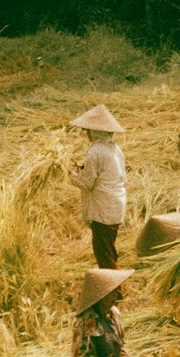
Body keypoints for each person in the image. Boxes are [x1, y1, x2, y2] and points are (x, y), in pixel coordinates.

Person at [68, 105, 127, 269]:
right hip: (116, 204)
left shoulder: (95, 151)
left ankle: (113, 290)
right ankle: (114, 285)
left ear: (95, 131)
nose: (86, 133)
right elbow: (108, 172)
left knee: (104, 253)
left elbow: (87, 184)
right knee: (109, 248)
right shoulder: (114, 148)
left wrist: (67, 174)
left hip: (103, 208)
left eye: (87, 130)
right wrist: (82, 168)